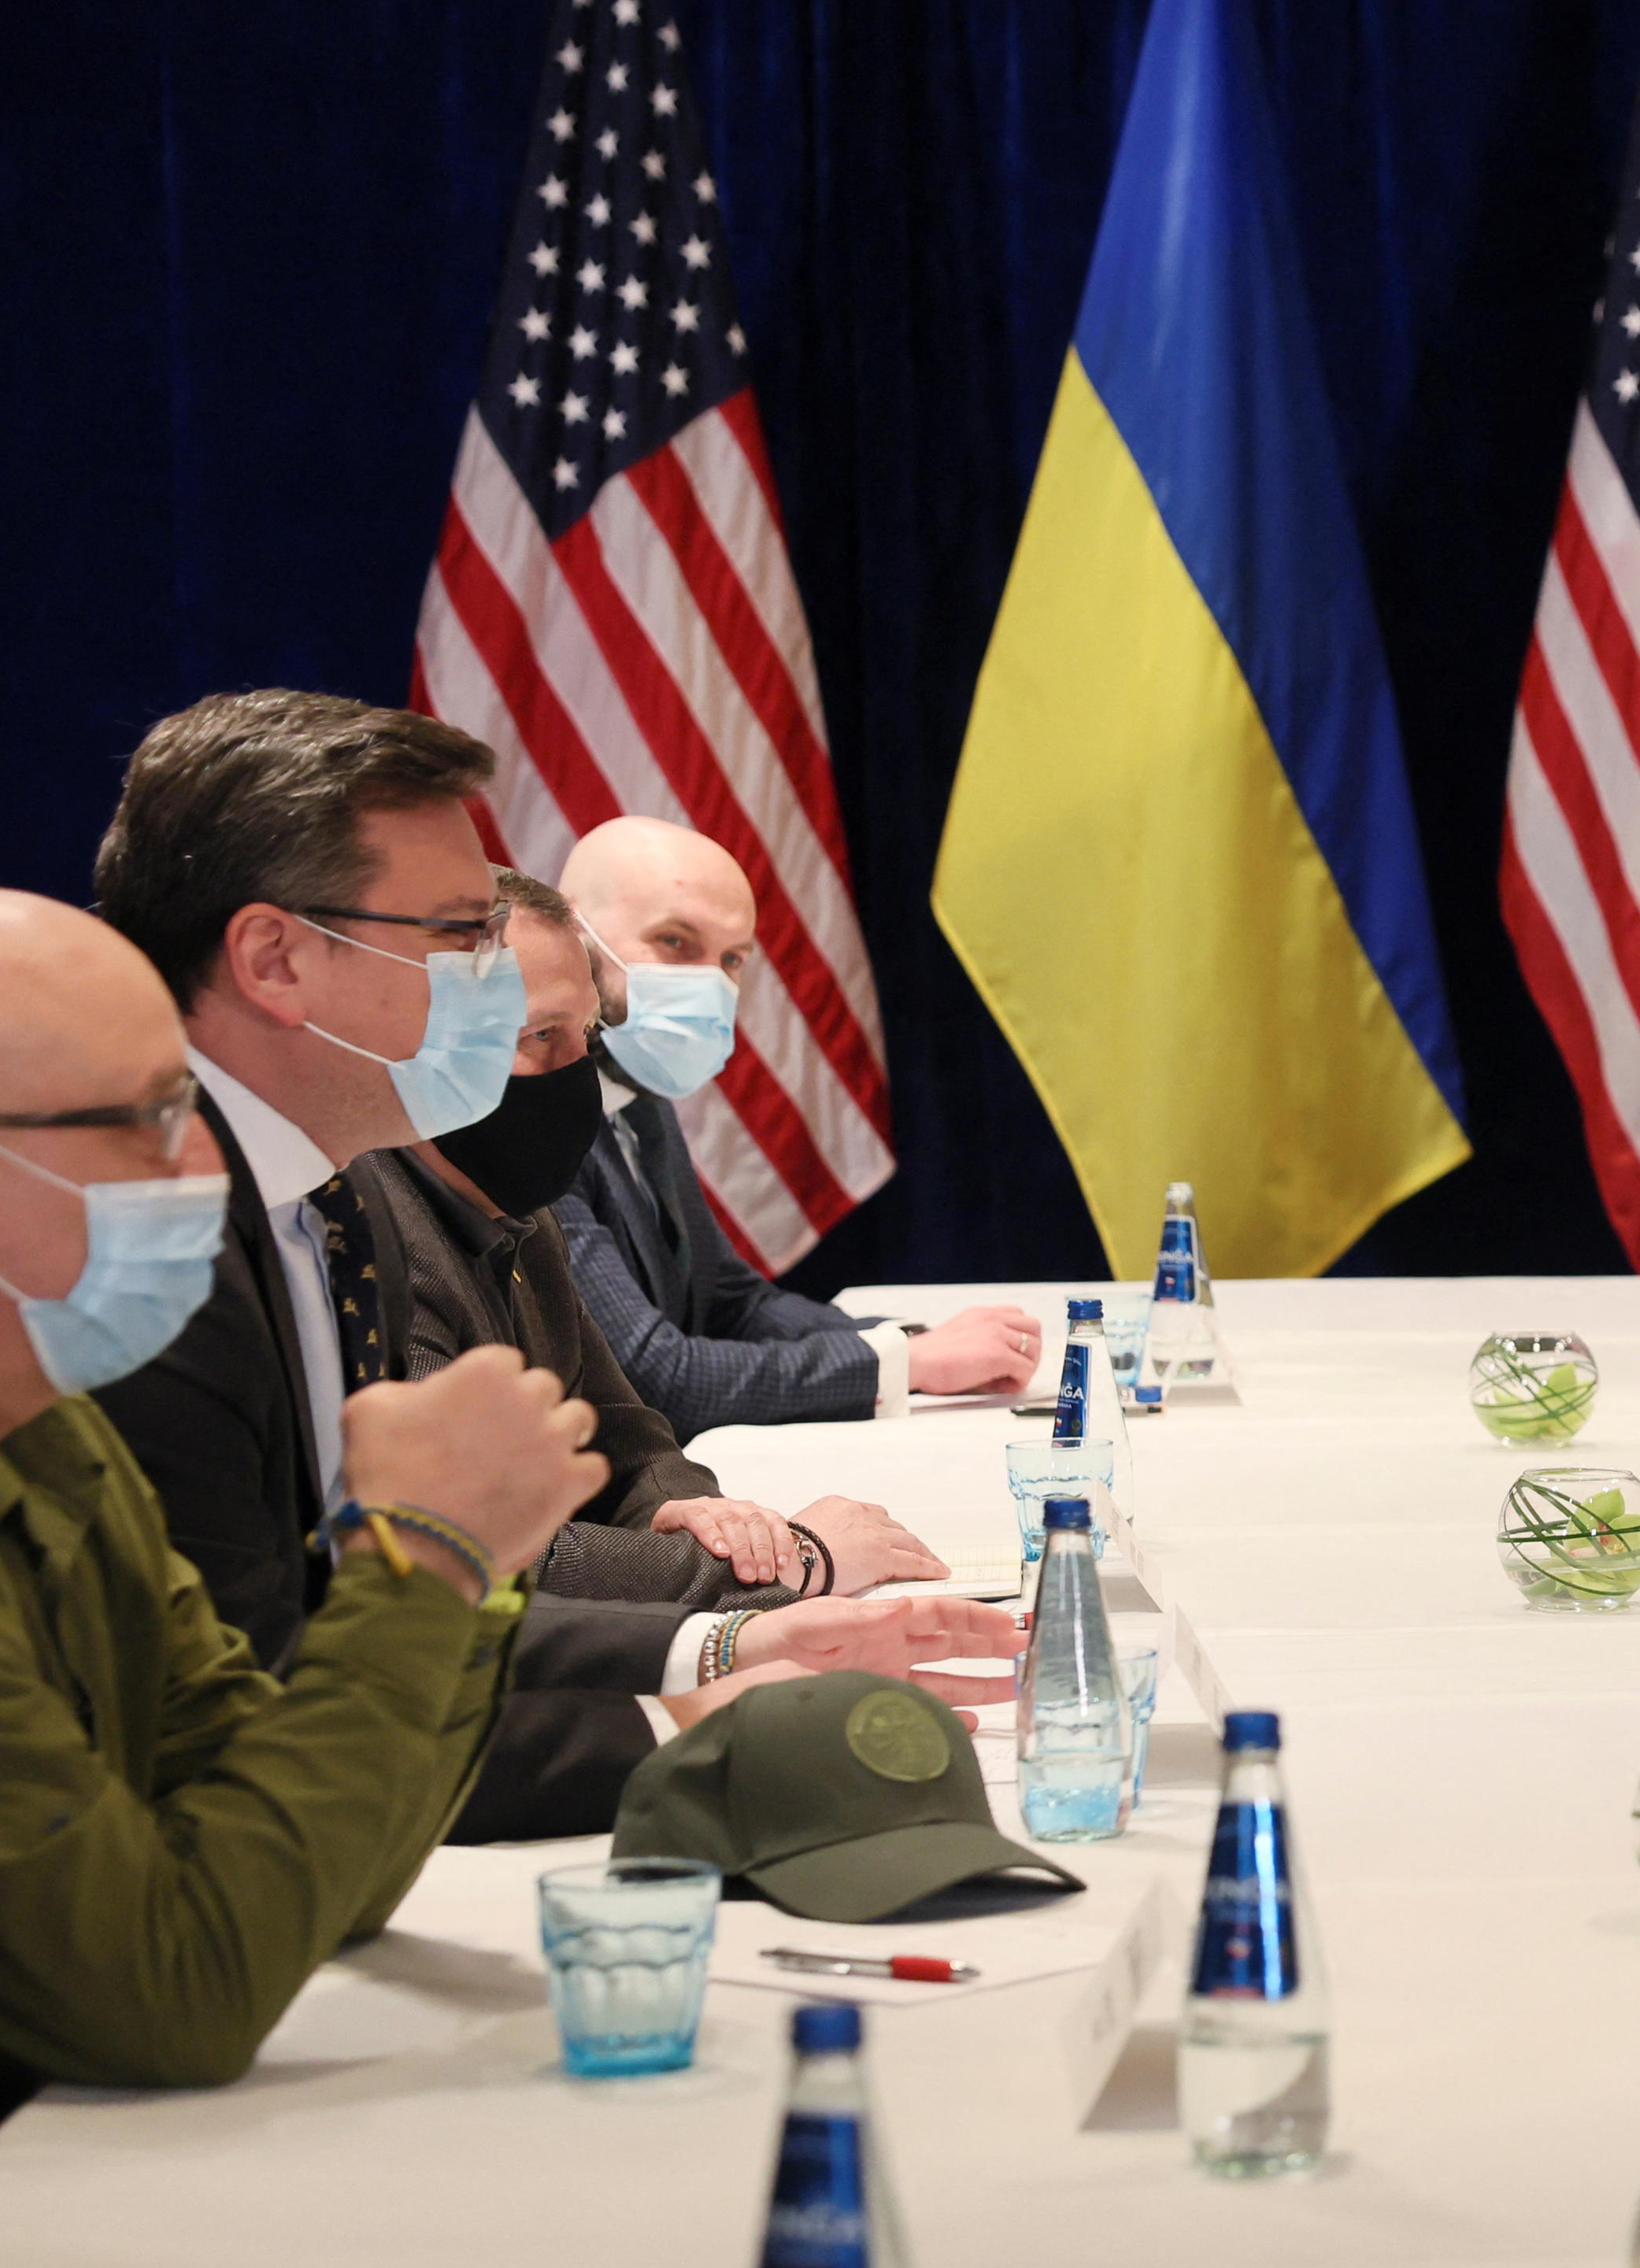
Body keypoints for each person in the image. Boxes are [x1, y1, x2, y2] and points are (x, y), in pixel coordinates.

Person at [82, 693, 1017, 1844]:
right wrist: (684, 1720)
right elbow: (253, 1698)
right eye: (457, 934)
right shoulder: (137, 1252)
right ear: (275, 959)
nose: (497, 974)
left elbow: (405, 1611)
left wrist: (725, 1645)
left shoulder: (330, 1196)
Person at [0, 886, 608, 2155]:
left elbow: (316, 1869)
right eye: (146, 1121)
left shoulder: (49, 1423)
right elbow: (177, 1993)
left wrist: (471, 1574)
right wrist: (425, 1558)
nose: (200, 1163)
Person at [361, 868, 949, 1612]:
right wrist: (787, 1563)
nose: (577, 1074)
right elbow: (484, 1555)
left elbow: (627, 1430)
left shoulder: (520, 1210)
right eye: (541, 1036)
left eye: (587, 1035)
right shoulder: (373, 1242)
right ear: (427, 1041)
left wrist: (702, 1517)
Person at [557, 816, 1038, 1440]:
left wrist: (913, 1344)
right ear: (572, 934)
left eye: (732, 959)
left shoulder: (638, 1091)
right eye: (675, 941)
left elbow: (731, 1302)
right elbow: (655, 1378)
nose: (710, 981)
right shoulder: (532, 1123)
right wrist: (903, 1364)